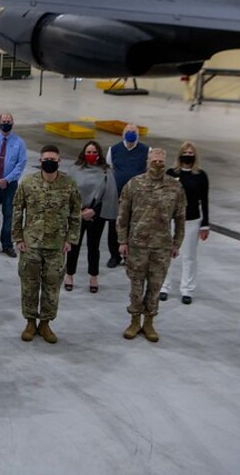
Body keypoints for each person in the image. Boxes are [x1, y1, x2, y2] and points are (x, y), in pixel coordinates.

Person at [12, 145, 81, 344]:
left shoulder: (69, 184)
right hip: (31, 244)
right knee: (29, 285)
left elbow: (75, 214)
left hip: (56, 247)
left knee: (52, 288)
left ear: (59, 162)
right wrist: (18, 238)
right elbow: (17, 212)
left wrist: (70, 239)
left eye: (53, 159)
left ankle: (46, 323)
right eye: (45, 159)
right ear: (40, 162)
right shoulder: (27, 183)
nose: (49, 162)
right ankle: (30, 322)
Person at [117, 148, 186, 343]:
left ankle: (149, 322)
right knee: (136, 285)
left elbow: (180, 218)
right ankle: (134, 320)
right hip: (137, 245)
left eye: (161, 162)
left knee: (155, 287)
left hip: (161, 247)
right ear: (147, 161)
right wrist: (122, 241)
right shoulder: (134, 184)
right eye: (154, 161)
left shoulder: (175, 188)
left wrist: (176, 243)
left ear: (166, 163)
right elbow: (123, 215)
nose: (157, 164)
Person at [64, 140, 118, 293]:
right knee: (74, 246)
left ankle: (93, 276)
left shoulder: (106, 171)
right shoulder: (75, 169)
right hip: (77, 214)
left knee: (94, 247)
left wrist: (94, 211)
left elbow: (110, 195)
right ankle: (69, 274)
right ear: (83, 153)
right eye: (88, 152)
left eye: (94, 152)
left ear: (99, 154)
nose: (91, 155)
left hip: (96, 215)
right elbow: (68, 192)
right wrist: (78, 211)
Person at [161, 141, 209, 305]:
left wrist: (205, 224)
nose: (188, 155)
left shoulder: (201, 176)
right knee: (167, 254)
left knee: (189, 256)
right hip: (171, 220)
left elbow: (205, 201)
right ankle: (164, 287)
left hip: (192, 221)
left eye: (191, 153)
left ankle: (187, 289)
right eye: (185, 152)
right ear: (180, 154)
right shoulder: (170, 173)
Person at [0, 112, 27, 258]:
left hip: (10, 185)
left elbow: (21, 164)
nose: (6, 123)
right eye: (4, 120)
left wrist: (7, 179)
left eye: (9, 120)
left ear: (13, 123)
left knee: (9, 215)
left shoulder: (19, 143)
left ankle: (7, 244)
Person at [105, 123, 149, 268]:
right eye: (128, 131)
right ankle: (114, 256)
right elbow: (110, 168)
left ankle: (130, 256)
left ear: (138, 134)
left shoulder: (146, 150)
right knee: (114, 226)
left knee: (134, 226)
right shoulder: (113, 149)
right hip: (117, 194)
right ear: (123, 134)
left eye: (133, 131)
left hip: (138, 196)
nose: (131, 134)